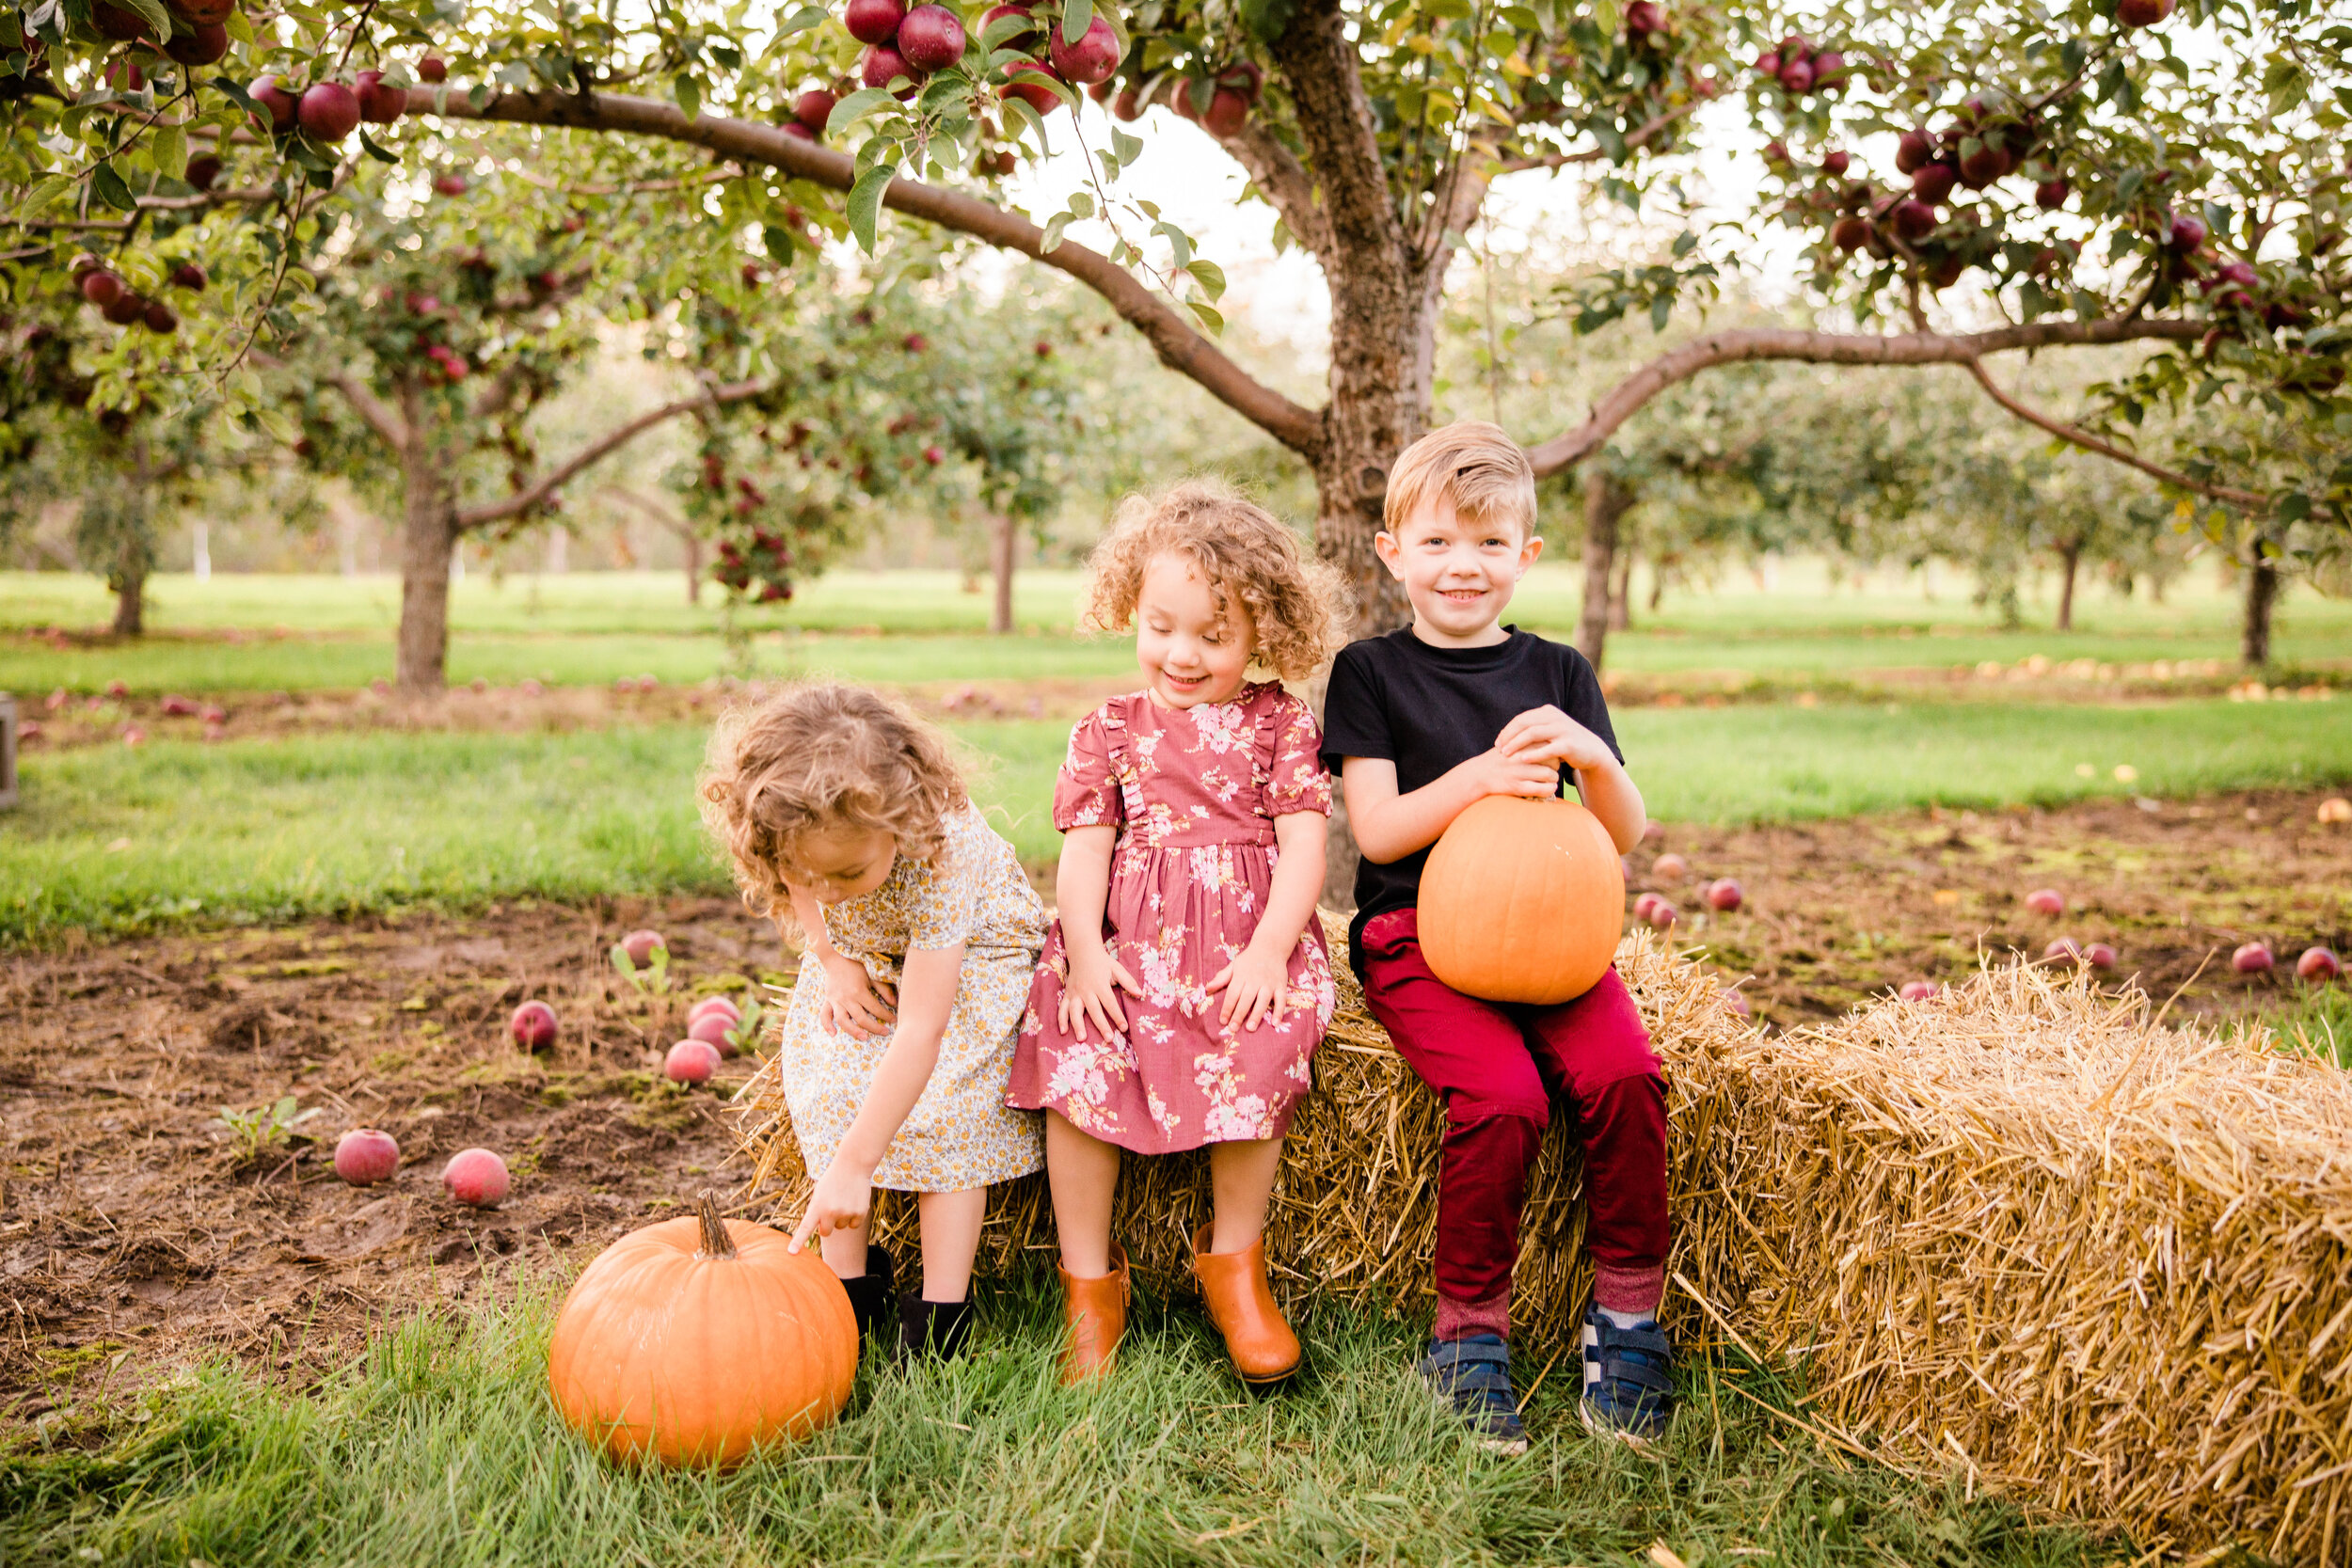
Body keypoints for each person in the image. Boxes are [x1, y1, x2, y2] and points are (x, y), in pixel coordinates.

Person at [1320, 422, 1673, 1451]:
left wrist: (1590, 758)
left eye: (1485, 544)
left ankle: (1627, 1316)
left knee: (1624, 1079)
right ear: (1392, 553)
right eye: (1434, 543)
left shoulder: (1559, 672)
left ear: (1525, 553)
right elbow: (1377, 831)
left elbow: (1621, 830)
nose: (1459, 566)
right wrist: (1478, 774)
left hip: (1556, 934)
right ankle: (1469, 1333)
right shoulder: (1370, 672)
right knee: (1503, 1095)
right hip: (1412, 934)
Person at [1009, 483, 1345, 1386]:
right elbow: (1085, 856)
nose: (1182, 654)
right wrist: (1085, 953)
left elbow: (1305, 849)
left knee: (1261, 1043)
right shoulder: (1107, 730)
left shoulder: (1280, 723)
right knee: (1081, 1053)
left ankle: (1234, 1266)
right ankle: (1090, 1287)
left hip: (1244, 940)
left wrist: (1272, 948)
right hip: (1127, 942)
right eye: (1162, 626)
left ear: (1262, 633)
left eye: (1213, 635)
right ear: (1130, 608)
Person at [701, 682, 1046, 1360]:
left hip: (966, 954)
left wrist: (859, 1164)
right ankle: (845, 1294)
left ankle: (942, 1315)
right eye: (811, 874)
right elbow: (801, 890)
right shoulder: (797, 831)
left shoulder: (940, 854)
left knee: (946, 1106)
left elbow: (923, 1027)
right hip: (865, 952)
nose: (825, 889)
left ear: (901, 825)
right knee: (833, 1082)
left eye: (848, 872)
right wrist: (833, 958)